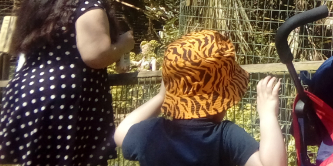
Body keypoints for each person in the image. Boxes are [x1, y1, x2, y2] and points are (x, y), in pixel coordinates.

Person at [0, 0, 135, 166]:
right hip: (64, 102)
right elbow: (95, 56)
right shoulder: (87, 2)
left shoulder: (39, 3)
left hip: (28, 93)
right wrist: (124, 45)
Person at [115, 30, 286, 166]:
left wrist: (161, 97)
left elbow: (120, 133)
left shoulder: (150, 133)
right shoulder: (225, 136)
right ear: (223, 97)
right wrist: (267, 115)